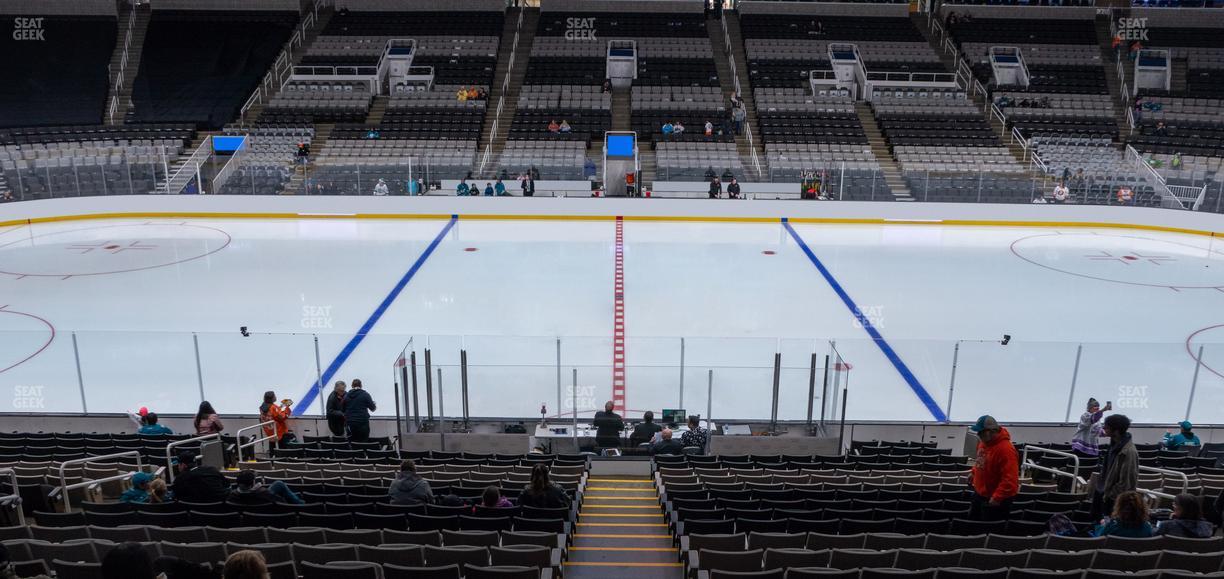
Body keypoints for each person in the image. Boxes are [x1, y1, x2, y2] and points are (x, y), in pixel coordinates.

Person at [968, 415, 1020, 521]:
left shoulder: (1006, 450)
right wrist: (973, 473)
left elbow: (1010, 480)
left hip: (994, 501)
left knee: (988, 532)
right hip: (979, 495)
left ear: (990, 431)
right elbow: (980, 461)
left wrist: (997, 497)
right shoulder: (984, 443)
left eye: (980, 432)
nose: (978, 435)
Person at [1095, 413, 1139, 520]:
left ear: (1116, 430)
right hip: (1105, 494)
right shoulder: (1114, 445)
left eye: (1107, 426)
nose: (1104, 428)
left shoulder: (1128, 452)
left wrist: (1110, 494)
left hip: (1114, 500)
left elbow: (1126, 482)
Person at [229, 470, 304, 505]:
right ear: (252, 483)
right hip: (259, 500)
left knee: (278, 484)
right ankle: (301, 505)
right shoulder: (264, 493)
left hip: (250, 506)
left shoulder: (233, 496)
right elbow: (282, 503)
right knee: (279, 483)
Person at [342, 378, 376, 442]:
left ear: (352, 386)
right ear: (361, 386)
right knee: (363, 442)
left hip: (350, 424)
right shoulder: (365, 395)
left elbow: (343, 410)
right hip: (362, 424)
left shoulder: (346, 396)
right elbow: (373, 409)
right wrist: (373, 404)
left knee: (352, 442)